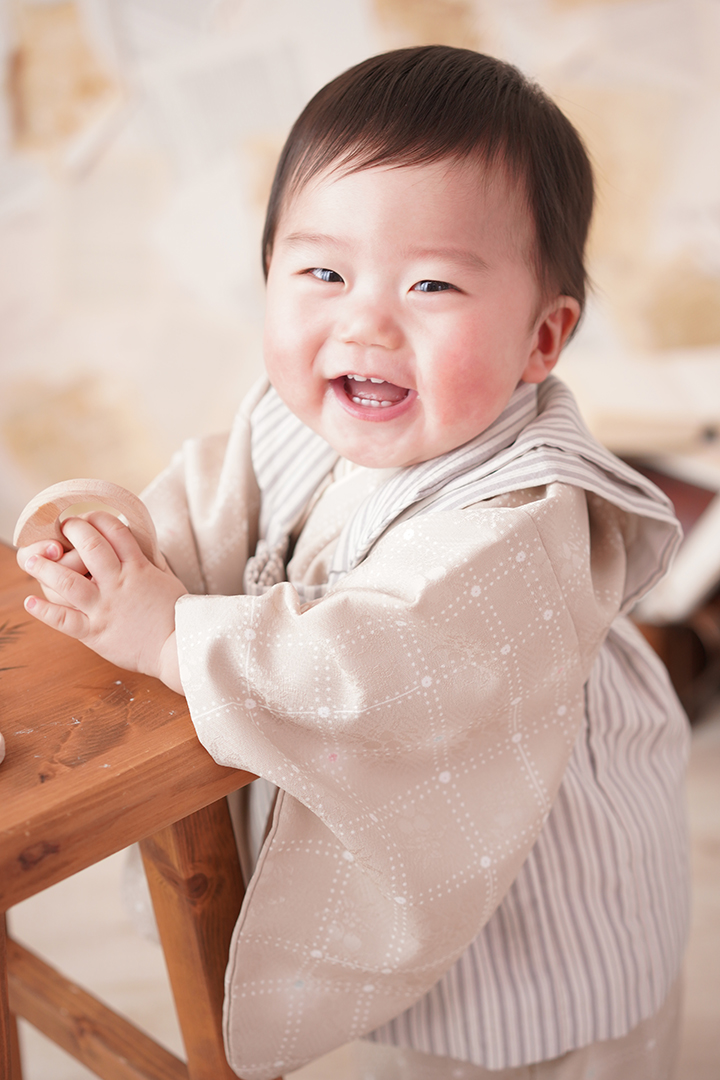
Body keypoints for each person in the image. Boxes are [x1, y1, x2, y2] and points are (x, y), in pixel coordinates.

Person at [18, 47, 689, 1080]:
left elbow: (377, 662)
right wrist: (116, 546)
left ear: (541, 338)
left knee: (539, 1045)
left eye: (432, 284)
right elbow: (212, 507)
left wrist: (167, 633)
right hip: (425, 824)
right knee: (439, 1043)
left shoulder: (521, 519)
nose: (366, 321)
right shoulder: (305, 415)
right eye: (324, 273)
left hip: (539, 863)